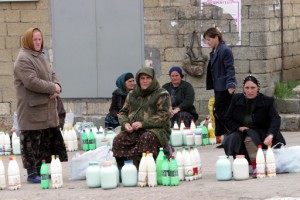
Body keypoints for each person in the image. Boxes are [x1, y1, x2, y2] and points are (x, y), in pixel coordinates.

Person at [14, 28, 68, 183]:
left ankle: (41, 170)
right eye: (34, 39)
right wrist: (52, 88)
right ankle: (32, 173)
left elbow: (52, 74)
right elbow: (31, 81)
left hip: (45, 107)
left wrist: (57, 86)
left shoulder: (41, 56)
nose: (38, 42)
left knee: (43, 140)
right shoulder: (23, 59)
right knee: (32, 141)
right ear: (27, 41)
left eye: (39, 39)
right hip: (32, 109)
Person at [223, 75, 286, 177]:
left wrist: (270, 135)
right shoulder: (236, 99)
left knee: (250, 137)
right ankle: (240, 167)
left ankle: (257, 167)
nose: (250, 91)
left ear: (258, 88)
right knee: (233, 138)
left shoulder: (267, 101)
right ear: (243, 88)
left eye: (253, 88)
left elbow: (275, 119)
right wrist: (238, 127)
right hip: (242, 131)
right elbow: (227, 118)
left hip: (261, 132)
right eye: (247, 88)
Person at [112, 67, 172, 169]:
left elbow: (164, 115)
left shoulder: (161, 94)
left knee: (147, 138)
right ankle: (124, 170)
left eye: (148, 78)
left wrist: (142, 124)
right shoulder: (132, 94)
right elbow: (123, 112)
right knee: (118, 140)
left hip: (157, 130)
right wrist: (125, 124)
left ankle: (148, 169)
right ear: (138, 80)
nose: (145, 81)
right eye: (142, 78)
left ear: (153, 79)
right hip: (135, 130)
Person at [203, 27, 237, 137]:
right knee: (219, 111)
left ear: (216, 37)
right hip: (218, 86)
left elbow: (230, 68)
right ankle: (227, 137)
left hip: (225, 87)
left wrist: (231, 84)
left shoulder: (225, 50)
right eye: (206, 40)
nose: (207, 42)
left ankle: (233, 133)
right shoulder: (215, 51)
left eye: (209, 39)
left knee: (219, 111)